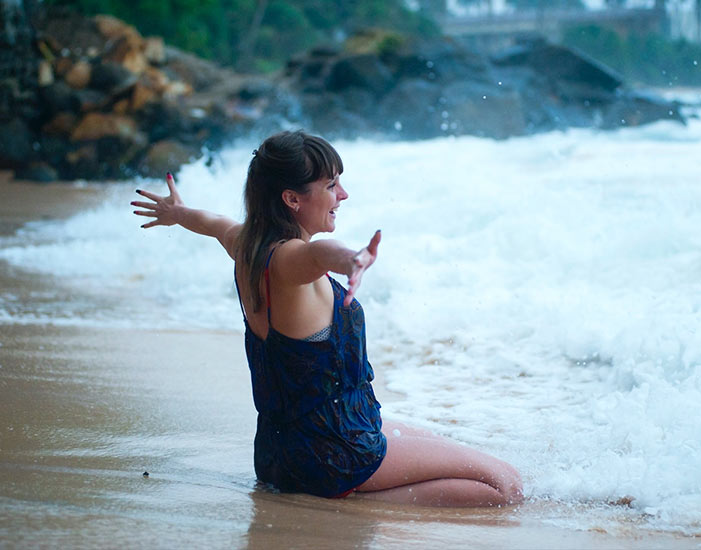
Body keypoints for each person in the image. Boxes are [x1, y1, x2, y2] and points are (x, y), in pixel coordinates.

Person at [131, 130, 523, 507]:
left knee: (438, 442)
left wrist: (178, 213)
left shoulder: (246, 245)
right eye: (331, 185)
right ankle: (353, 508)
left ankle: (340, 494)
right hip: (333, 454)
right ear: (292, 199)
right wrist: (352, 259)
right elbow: (320, 254)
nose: (343, 194)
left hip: (280, 454)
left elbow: (213, 223)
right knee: (506, 485)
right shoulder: (290, 261)